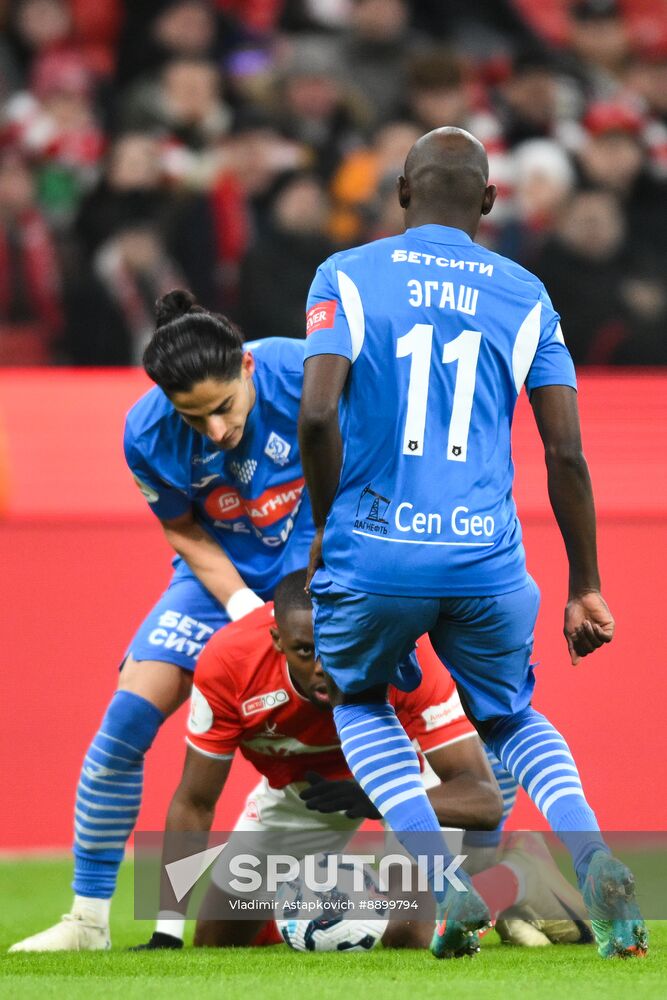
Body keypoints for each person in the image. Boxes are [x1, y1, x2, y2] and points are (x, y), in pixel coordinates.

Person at [297, 126, 648, 960]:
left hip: (375, 548)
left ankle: (442, 877)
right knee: (510, 715)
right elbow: (565, 452)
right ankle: (592, 857)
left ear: (401, 192)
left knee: (359, 700)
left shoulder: (345, 274)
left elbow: (314, 414)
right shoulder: (525, 293)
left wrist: (326, 528)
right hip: (485, 557)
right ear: (490, 200)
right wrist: (585, 584)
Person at [9, 290, 315, 952]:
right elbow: (185, 531)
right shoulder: (146, 432)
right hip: (218, 579)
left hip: (319, 568)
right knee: (124, 723)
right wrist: (242, 609)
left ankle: (485, 887)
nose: (214, 430)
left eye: (224, 407)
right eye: (192, 417)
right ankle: (88, 921)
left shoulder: (305, 371)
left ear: (247, 367)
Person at [131, 570, 586, 951]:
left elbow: (483, 799)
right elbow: (194, 801)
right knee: (218, 942)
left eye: (333, 646)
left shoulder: (404, 656)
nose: (322, 666)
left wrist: (379, 799)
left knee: (408, 933)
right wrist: (167, 932)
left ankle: (517, 877)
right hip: (307, 793)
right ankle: (298, 921)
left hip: (407, 780)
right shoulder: (229, 663)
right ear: (277, 641)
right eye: (306, 650)